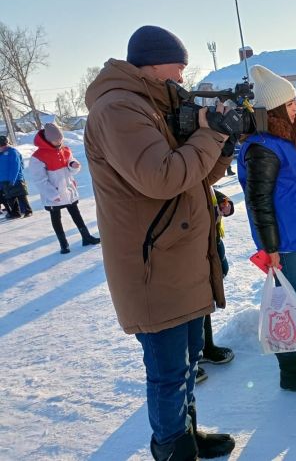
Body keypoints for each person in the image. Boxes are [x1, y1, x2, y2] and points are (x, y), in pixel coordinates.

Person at [83, 25, 236, 460]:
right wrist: (209, 134)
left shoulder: (153, 105)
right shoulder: (119, 110)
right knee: (168, 372)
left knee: (187, 363)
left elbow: (195, 178)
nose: (184, 78)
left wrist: (221, 142)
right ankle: (170, 446)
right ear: (152, 62)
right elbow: (163, 177)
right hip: (152, 265)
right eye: (180, 67)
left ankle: (187, 432)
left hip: (177, 260)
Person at [237, 64, 296, 393]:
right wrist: (270, 247)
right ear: (276, 108)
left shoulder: (283, 139)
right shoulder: (263, 148)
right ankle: (290, 371)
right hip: (283, 242)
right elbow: (258, 202)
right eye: (291, 104)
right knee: (288, 303)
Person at [28, 123, 99, 253]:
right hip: (53, 195)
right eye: (56, 140)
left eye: (60, 139)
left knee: (76, 214)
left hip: (68, 190)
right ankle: (63, 244)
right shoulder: (38, 157)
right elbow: (39, 180)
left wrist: (73, 165)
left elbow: (69, 167)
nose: (59, 142)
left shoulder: (65, 149)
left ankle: (86, 237)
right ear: (48, 140)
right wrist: (52, 194)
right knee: (56, 219)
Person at [196, 188, 236, 383]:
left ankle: (205, 347)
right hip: (186, 249)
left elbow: (208, 188)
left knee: (205, 298)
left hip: (210, 244)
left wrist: (223, 202)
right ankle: (188, 361)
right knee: (189, 303)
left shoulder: (198, 171)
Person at [0, 135, 33, 219]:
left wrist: (13, 179)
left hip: (15, 179)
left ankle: (27, 211)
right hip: (3, 180)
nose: (2, 147)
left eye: (3, 146)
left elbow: (16, 166)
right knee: (10, 198)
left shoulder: (12, 152)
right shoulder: (1, 154)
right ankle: (16, 213)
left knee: (21, 195)